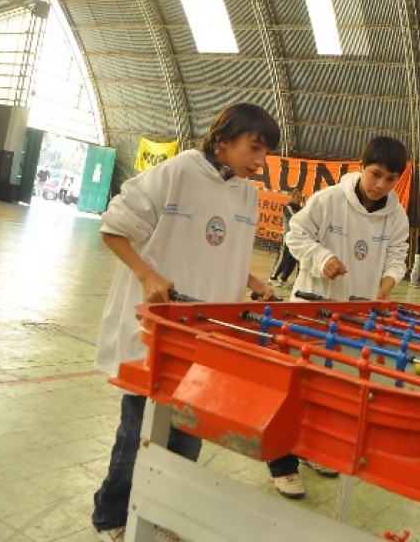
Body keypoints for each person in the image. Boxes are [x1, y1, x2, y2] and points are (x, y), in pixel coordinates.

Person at [91, 103, 281, 541]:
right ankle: (112, 516)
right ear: (221, 141)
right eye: (254, 148)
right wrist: (148, 274)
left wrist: (252, 279)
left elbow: (222, 250)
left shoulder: (247, 193)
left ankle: (165, 514)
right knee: (138, 431)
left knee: (188, 434)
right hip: (155, 330)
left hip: (207, 335)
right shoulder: (177, 172)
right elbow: (113, 228)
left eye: (265, 152)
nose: (259, 162)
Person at [267, 135, 410, 498]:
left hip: (355, 315)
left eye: (390, 179)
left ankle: (311, 449)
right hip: (312, 307)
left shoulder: (397, 216)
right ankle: (282, 464)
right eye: (375, 174)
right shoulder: (329, 199)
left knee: (331, 388)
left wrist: (388, 282)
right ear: (361, 167)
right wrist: (321, 259)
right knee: (295, 386)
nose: (380, 185)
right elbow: (295, 234)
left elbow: (397, 255)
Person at [269, 189, 304, 286]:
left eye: (300, 198)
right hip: (287, 236)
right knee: (283, 258)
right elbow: (295, 218)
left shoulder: (301, 209)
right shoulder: (288, 207)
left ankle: (283, 278)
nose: (299, 199)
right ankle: (273, 277)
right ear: (292, 197)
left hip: (296, 238)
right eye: (297, 197)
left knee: (292, 260)